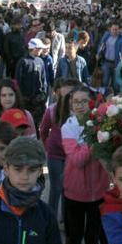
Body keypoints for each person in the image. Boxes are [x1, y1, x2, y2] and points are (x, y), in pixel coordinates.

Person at [0, 137, 63, 244]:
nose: (24, 177)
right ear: (6, 169)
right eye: (18, 169)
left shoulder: (46, 215)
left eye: (31, 170)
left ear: (40, 172)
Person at [62, 85, 110, 244]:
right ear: (71, 104)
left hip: (98, 191)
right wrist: (93, 139)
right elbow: (78, 159)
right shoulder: (68, 127)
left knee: (93, 237)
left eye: (84, 101)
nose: (80, 105)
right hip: (75, 193)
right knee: (74, 237)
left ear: (92, 103)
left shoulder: (101, 123)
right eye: (76, 101)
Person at [40, 79, 78, 222]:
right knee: (56, 187)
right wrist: (47, 145)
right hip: (55, 154)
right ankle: (51, 218)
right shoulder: (52, 110)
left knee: (67, 188)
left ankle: (65, 218)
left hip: (72, 156)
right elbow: (43, 130)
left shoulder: (78, 111)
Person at [15, 38, 50, 127]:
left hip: (38, 99)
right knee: (26, 122)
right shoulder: (23, 62)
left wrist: (44, 95)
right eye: (40, 48)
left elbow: (44, 80)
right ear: (34, 48)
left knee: (38, 123)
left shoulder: (40, 61)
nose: (42, 50)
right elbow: (18, 81)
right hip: (26, 99)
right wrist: (21, 97)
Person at [97, 22, 122, 95]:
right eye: (113, 29)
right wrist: (98, 53)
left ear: (119, 30)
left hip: (116, 64)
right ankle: (103, 97)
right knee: (104, 81)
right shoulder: (106, 35)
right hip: (106, 62)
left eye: (116, 29)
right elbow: (101, 45)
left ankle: (115, 99)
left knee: (115, 84)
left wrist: (120, 65)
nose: (115, 31)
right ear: (110, 29)